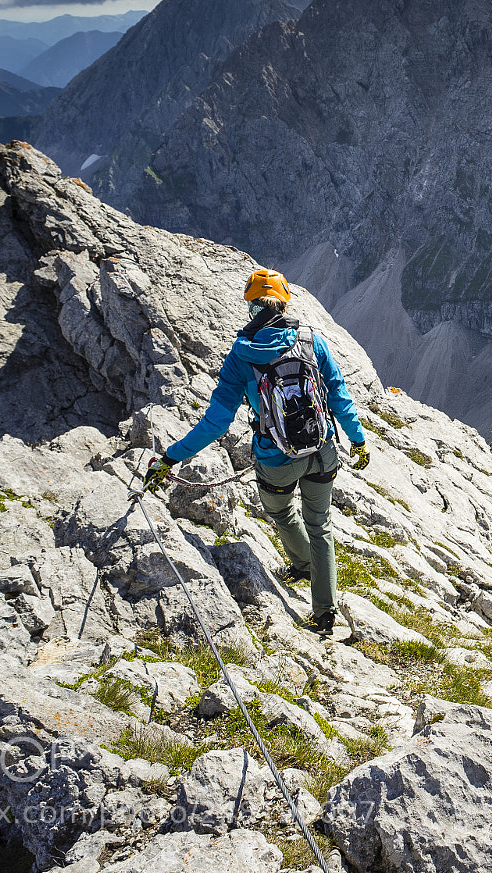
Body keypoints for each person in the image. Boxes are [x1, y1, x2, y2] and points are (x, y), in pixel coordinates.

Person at [144, 268, 369, 634]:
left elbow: (216, 424)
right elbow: (339, 395)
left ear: (252, 308)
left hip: (276, 460)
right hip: (322, 449)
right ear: (283, 303)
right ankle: (325, 613)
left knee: (281, 513)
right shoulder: (312, 342)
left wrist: (170, 457)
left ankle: (300, 564)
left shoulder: (241, 356)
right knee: (321, 525)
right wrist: (358, 440)